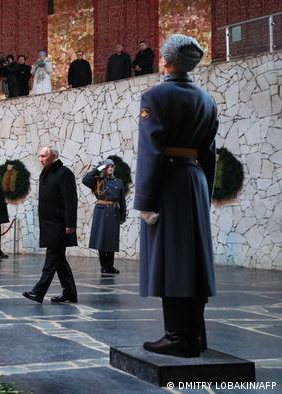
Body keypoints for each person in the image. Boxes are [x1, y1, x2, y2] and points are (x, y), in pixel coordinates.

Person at [135, 34, 218, 358]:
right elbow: (209, 154)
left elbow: (151, 151)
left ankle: (176, 337)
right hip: (195, 181)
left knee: (171, 261)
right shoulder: (207, 100)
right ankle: (195, 334)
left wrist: (144, 199)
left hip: (168, 183)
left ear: (166, 60)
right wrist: (204, 193)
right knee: (194, 262)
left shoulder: (155, 96)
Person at [23, 145, 78, 304]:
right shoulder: (45, 173)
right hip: (49, 224)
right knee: (59, 261)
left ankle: (38, 292)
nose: (41, 159)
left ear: (53, 157)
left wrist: (70, 224)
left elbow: (70, 200)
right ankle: (70, 293)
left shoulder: (64, 174)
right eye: (39, 156)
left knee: (52, 258)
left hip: (60, 225)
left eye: (44, 156)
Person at [82, 159, 126, 274]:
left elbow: (122, 200)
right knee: (101, 239)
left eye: (112, 166)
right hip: (101, 211)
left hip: (113, 212)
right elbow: (85, 180)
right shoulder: (98, 180)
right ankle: (104, 266)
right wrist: (97, 169)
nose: (110, 168)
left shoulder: (119, 182)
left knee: (112, 240)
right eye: (108, 167)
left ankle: (110, 266)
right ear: (104, 169)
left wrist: (122, 216)